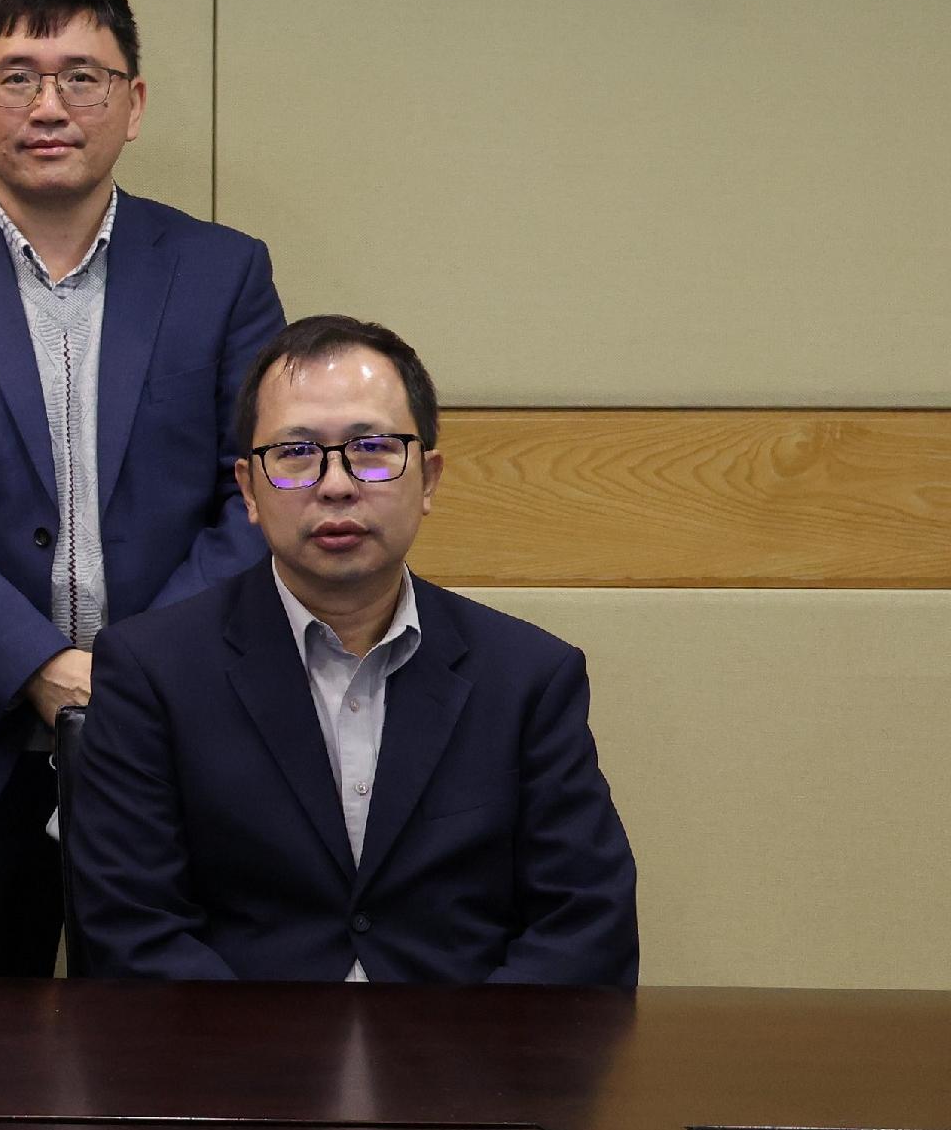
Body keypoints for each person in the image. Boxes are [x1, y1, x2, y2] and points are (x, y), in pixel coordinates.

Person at [0, 0, 287, 978]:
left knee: (170, 1064)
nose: (47, 106)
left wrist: (128, 676)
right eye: (15, 78)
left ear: (133, 104)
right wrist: (37, 669)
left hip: (180, 738)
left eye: (81, 76)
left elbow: (256, 491)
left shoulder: (223, 273)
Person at [69, 316, 638, 985]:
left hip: (467, 1074)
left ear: (428, 479)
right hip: (231, 1076)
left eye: (371, 448)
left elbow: (584, 927)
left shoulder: (528, 678)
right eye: (297, 453)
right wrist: (271, 1081)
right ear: (248, 490)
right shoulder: (150, 672)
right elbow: (131, 931)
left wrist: (464, 1079)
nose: (336, 484)